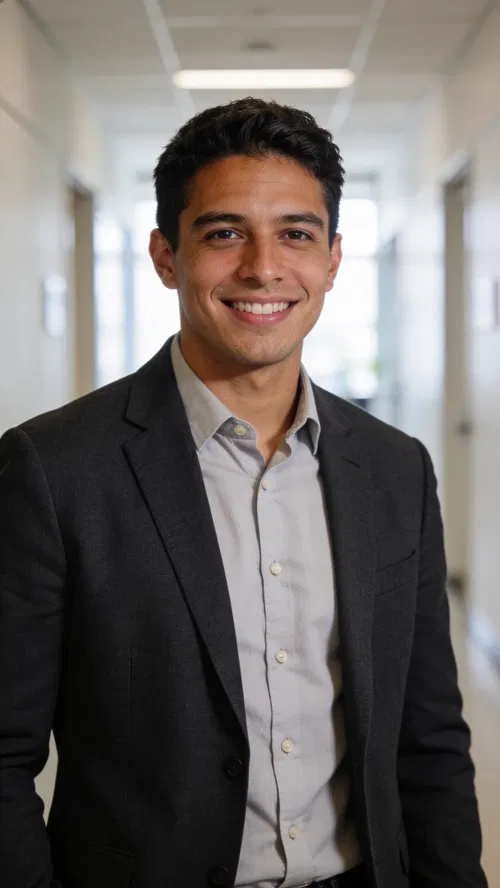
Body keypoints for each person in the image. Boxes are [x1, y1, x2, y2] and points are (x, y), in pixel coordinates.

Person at [0, 97, 487, 888]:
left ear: (331, 259)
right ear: (167, 256)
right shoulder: (56, 470)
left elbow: (427, 738)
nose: (264, 267)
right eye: (224, 233)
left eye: (296, 233)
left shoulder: (395, 469)